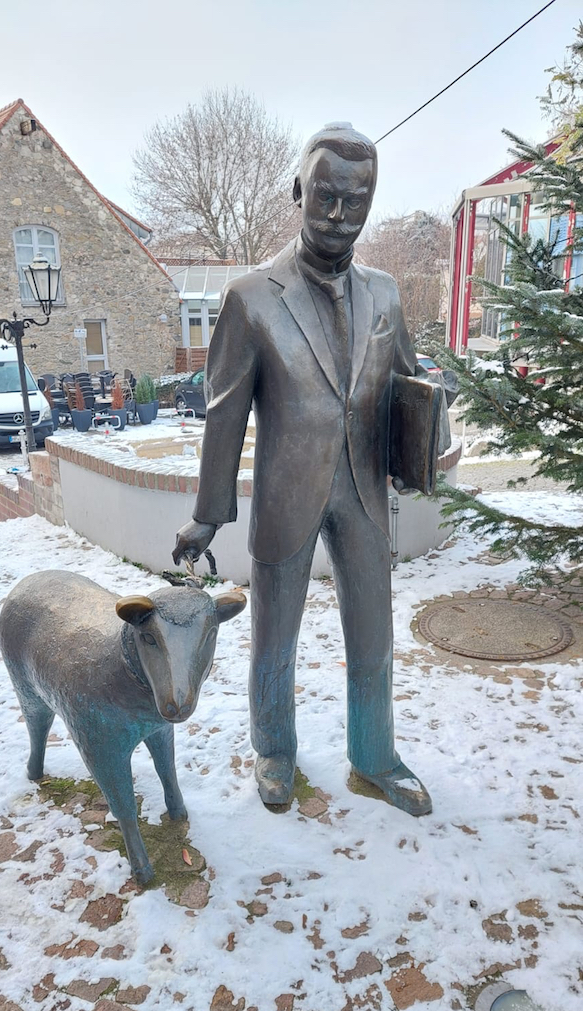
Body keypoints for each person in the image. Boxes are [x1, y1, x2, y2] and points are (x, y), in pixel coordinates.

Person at [173, 123, 451, 816]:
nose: (338, 214)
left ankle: (375, 755)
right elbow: (225, 415)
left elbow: (408, 380)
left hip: (364, 494)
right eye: (325, 195)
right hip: (285, 496)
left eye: (356, 201)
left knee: (374, 636)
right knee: (275, 637)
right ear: (299, 190)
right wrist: (208, 516)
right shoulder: (251, 298)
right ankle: (273, 750)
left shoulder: (386, 294)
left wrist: (427, 434)